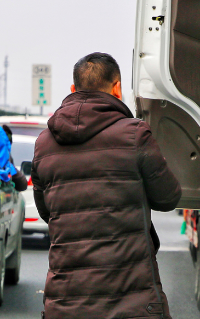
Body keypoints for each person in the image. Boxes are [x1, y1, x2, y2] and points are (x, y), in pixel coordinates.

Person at [31, 52, 182, 318]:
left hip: (66, 302)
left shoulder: (44, 143)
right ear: (117, 88)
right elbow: (168, 197)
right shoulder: (135, 135)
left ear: (72, 90)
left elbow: (46, 211)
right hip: (131, 301)